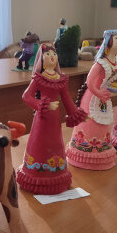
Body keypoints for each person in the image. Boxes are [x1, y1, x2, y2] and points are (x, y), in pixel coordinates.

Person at [16, 44, 86, 194]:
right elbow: (26, 96)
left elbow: (66, 99)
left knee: (55, 142)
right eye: (47, 55)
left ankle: (56, 172)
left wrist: (77, 114)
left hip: (55, 119)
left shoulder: (60, 79)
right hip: (42, 118)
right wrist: (43, 104)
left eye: (54, 54)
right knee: (40, 142)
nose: (52, 57)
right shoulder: (38, 78)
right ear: (41, 60)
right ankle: (36, 172)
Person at [66, 30, 117, 170]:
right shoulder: (100, 63)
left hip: (104, 97)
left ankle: (101, 152)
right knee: (91, 122)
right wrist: (99, 93)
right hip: (92, 97)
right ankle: (83, 152)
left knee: (103, 124)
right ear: (108, 43)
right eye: (116, 38)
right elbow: (89, 82)